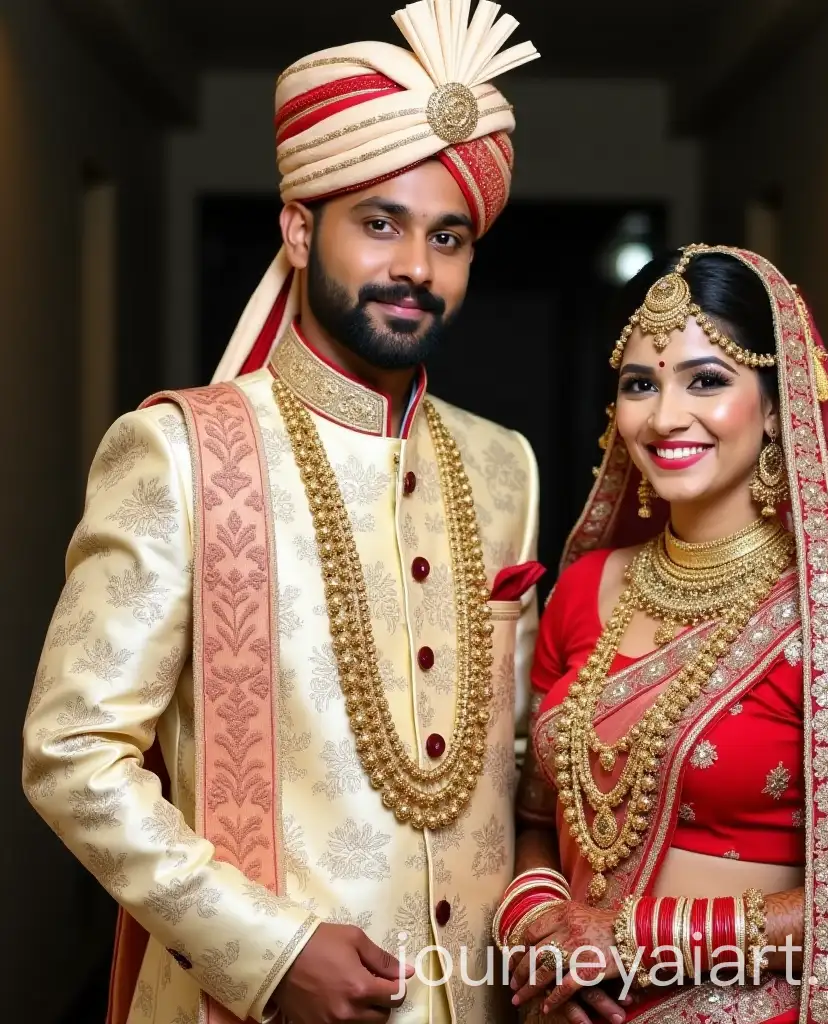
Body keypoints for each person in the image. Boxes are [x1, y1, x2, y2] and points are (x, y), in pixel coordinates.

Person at [21, 3, 546, 1024]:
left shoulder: (504, 465)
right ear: (299, 229)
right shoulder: (177, 449)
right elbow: (71, 751)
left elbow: (517, 755)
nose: (414, 268)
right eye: (379, 223)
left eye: (448, 237)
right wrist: (267, 949)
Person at [492, 245, 828, 1024]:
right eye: (639, 384)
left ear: (774, 405)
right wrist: (538, 927)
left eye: (706, 380)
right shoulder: (585, 589)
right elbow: (533, 816)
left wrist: (631, 938)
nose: (664, 416)